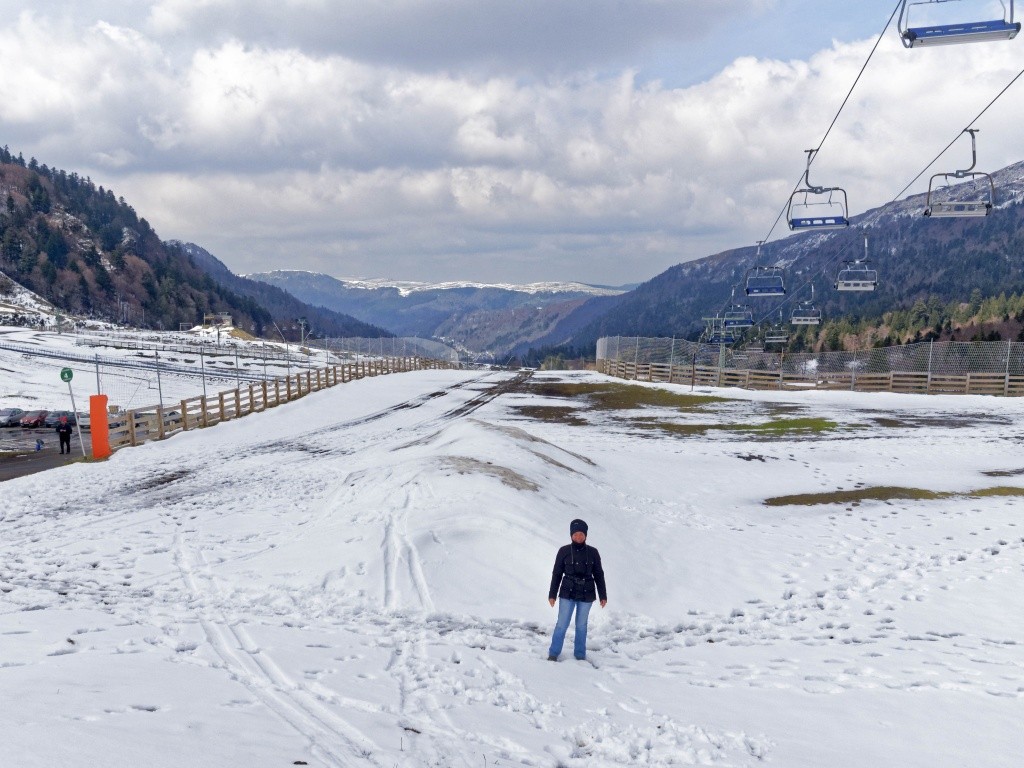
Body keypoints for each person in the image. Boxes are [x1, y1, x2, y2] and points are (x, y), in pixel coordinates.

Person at [547, 518, 607, 661]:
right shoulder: (564, 551)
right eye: (575, 534)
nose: (578, 537)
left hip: (587, 593)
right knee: (562, 623)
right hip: (567, 592)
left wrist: (603, 595)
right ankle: (554, 653)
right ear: (571, 535)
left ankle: (580, 654)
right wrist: (552, 594)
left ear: (585, 535)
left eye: (581, 534)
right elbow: (556, 574)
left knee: (581, 625)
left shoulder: (593, 552)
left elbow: (599, 574)